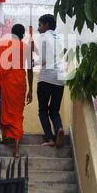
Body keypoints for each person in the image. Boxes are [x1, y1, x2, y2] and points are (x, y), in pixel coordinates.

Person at [0, 24, 33, 158]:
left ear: (11, 33)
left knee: (5, 109)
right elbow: (30, 69)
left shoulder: (2, 44)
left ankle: (4, 138)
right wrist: (31, 89)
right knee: (16, 114)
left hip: (6, 81)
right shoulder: (26, 47)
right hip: (20, 83)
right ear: (23, 34)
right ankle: (15, 150)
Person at [35, 14, 66, 148]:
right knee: (54, 110)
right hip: (60, 78)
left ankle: (50, 138)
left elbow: (42, 59)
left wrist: (33, 59)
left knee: (43, 110)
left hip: (46, 78)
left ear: (46, 25)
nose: (38, 28)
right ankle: (58, 129)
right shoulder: (60, 38)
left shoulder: (43, 38)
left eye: (40, 25)